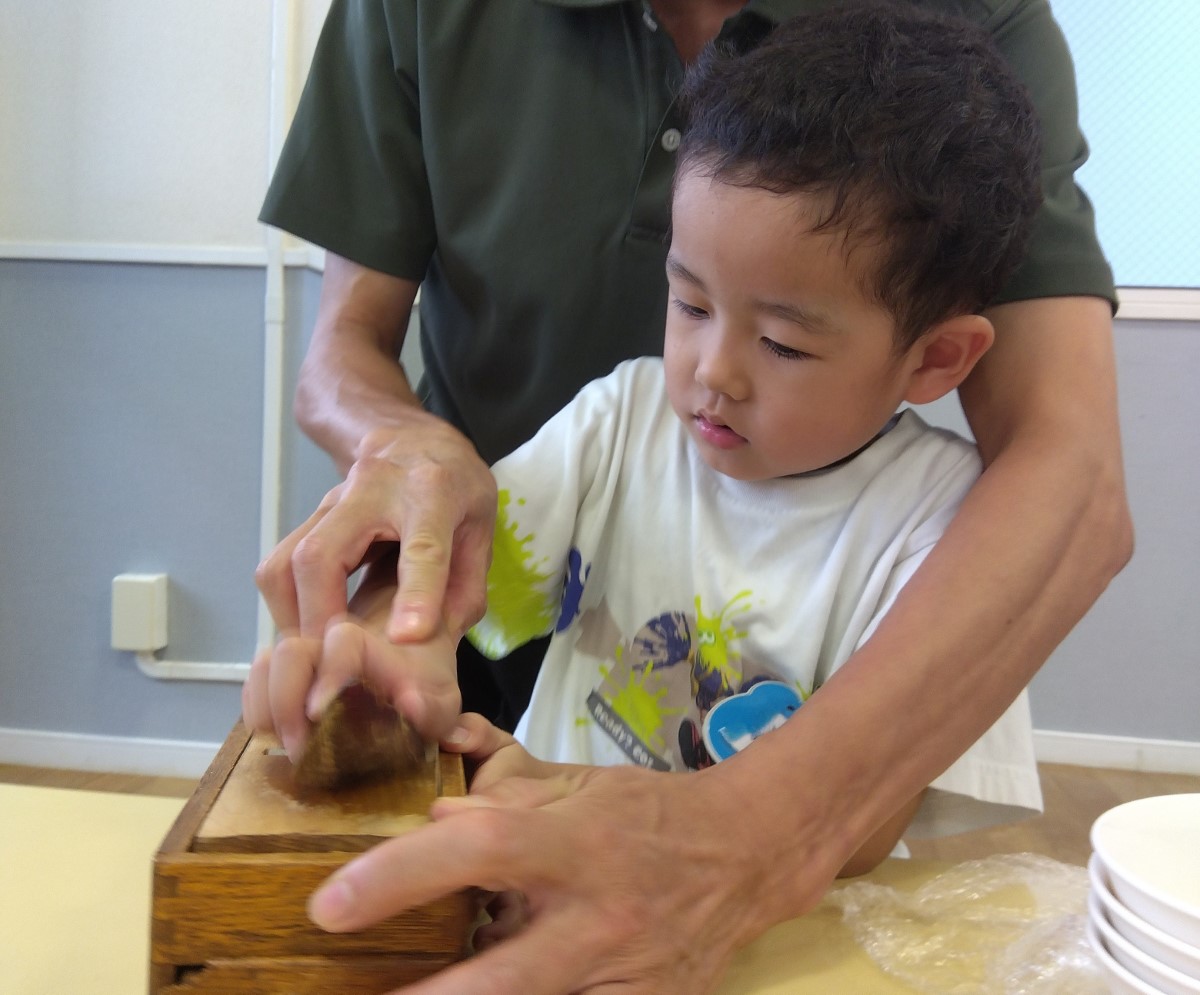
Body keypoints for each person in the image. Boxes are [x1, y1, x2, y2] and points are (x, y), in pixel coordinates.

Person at [246, 5, 1072, 988]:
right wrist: (388, 647)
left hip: (766, 942)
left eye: (783, 343)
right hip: (536, 888)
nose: (711, 372)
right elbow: (481, 591)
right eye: (688, 302)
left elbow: (859, 828)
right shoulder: (621, 422)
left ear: (936, 357)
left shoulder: (946, 525)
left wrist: (615, 811)